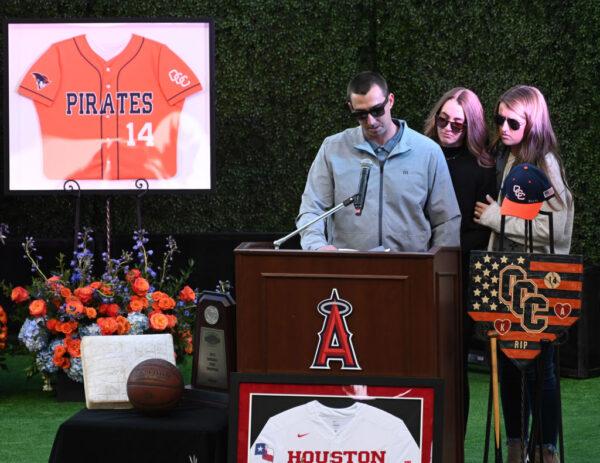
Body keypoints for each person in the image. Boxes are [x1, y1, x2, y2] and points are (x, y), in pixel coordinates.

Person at [474, 85, 574, 463]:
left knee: (539, 369)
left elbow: (556, 227)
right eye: (498, 119)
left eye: (512, 121)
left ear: (533, 122)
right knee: (509, 368)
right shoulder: (511, 157)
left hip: (536, 283)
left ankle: (546, 451)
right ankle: (517, 446)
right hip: (507, 277)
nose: (502, 127)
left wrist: (496, 217)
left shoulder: (544, 161)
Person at [297, 71, 461, 252]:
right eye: (361, 114)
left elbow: (447, 221)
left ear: (390, 100)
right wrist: (317, 247)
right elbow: (312, 209)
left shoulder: (428, 152)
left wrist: (437, 271)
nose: (371, 121)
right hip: (348, 270)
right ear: (350, 107)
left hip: (411, 270)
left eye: (377, 110)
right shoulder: (332, 149)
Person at [423, 87, 496, 435]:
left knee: (454, 365)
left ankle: (453, 445)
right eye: (443, 120)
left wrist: (443, 251)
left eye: (458, 123)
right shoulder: (419, 153)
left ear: (471, 127)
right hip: (416, 270)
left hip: (459, 276)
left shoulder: (482, 166)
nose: (448, 127)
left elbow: (481, 228)